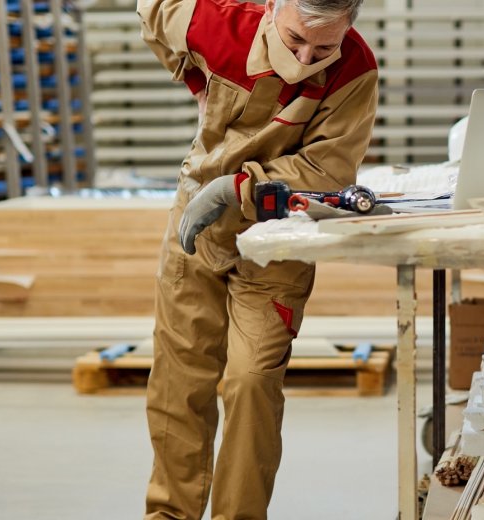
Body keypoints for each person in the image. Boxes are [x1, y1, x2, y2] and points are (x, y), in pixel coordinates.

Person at [135, 0, 377, 518]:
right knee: (180, 382)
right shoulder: (216, 24)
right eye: (294, 41)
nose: (307, 58)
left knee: (251, 383)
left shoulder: (355, 70)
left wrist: (238, 187)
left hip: (278, 240)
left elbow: (327, 169)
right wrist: (189, 69)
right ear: (274, 6)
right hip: (194, 226)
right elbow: (152, 9)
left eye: (324, 47)